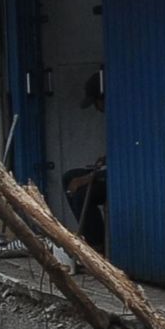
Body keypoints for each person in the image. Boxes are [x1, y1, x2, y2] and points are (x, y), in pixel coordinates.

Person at [63, 70, 107, 249]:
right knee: (69, 177)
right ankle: (88, 234)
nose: (97, 108)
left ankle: (98, 245)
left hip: (124, 179)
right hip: (108, 171)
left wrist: (88, 179)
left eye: (96, 103)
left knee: (82, 193)